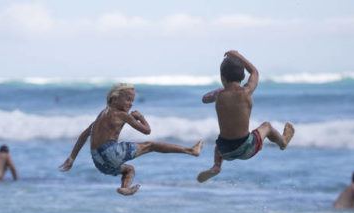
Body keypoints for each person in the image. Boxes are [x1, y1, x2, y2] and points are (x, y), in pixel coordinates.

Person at [59, 83, 203, 195]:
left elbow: (84, 135)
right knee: (150, 146)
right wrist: (141, 117)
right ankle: (190, 150)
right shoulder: (122, 114)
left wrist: (72, 158)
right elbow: (147, 131)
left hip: (98, 161)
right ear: (115, 98)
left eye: (132, 100)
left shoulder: (101, 115)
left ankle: (124, 188)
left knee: (129, 170)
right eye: (128, 99)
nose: (131, 103)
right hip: (110, 152)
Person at [197, 50, 295, 183]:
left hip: (225, 150)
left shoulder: (219, 95)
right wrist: (238, 56)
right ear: (243, 76)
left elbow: (204, 99)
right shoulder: (247, 92)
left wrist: (220, 90)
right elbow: (255, 72)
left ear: (222, 78)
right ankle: (282, 142)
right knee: (267, 126)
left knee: (218, 144)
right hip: (246, 148)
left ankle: (216, 166)